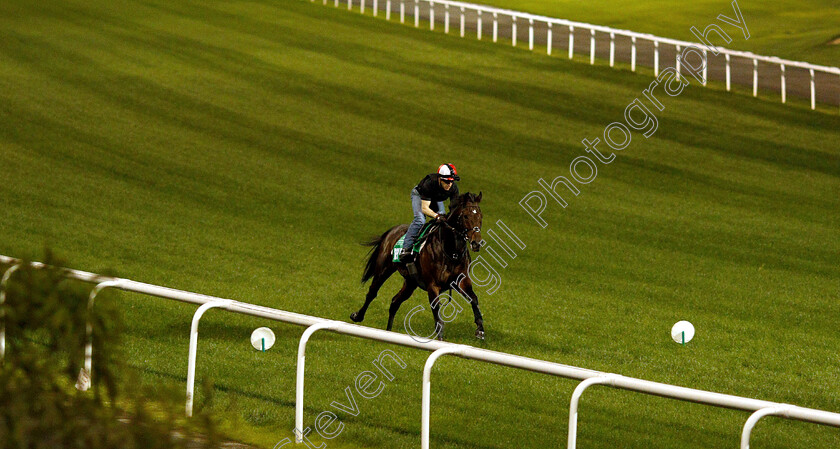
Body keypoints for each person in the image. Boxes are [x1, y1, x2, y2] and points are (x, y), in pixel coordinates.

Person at [400, 164, 461, 263]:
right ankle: (405, 248)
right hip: (420, 196)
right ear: (440, 179)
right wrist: (436, 216)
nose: (449, 184)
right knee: (420, 220)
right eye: (446, 181)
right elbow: (425, 208)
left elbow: (454, 208)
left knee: (444, 220)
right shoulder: (429, 184)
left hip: (436, 197)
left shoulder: (453, 188)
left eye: (451, 181)